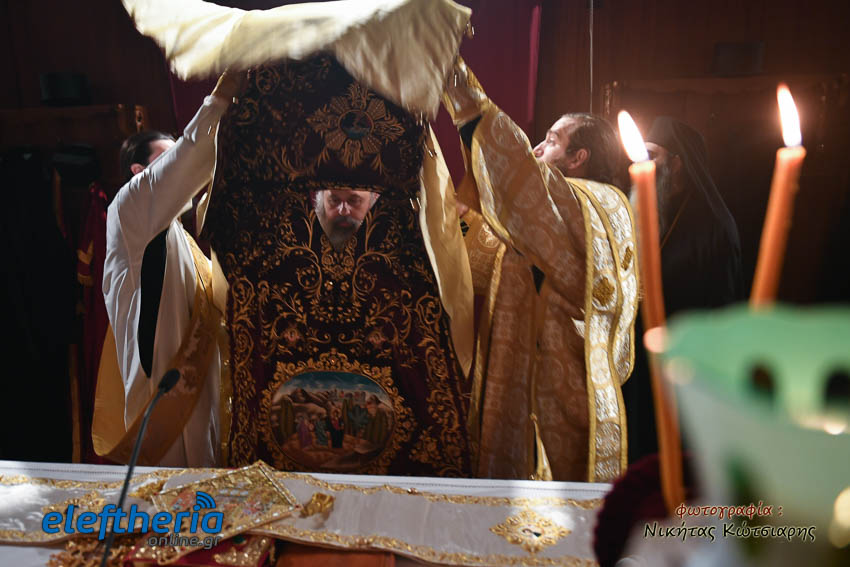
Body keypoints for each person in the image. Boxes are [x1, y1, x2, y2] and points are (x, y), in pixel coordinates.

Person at [443, 58, 639, 482]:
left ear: (578, 157)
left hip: (555, 395)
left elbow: (521, 174)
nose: (536, 148)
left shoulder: (585, 204)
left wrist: (459, 88)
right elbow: (488, 257)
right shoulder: (583, 213)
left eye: (551, 141)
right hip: (536, 376)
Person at [96, 73, 245, 467]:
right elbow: (192, 155)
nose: (177, 164)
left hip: (199, 396)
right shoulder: (129, 207)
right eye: (167, 157)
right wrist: (222, 98)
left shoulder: (179, 237)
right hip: (164, 405)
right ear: (138, 172)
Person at [623, 116, 744, 463]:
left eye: (652, 155)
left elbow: (723, 307)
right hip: (636, 356)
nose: (642, 164)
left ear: (677, 163)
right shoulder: (645, 208)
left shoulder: (714, 226)